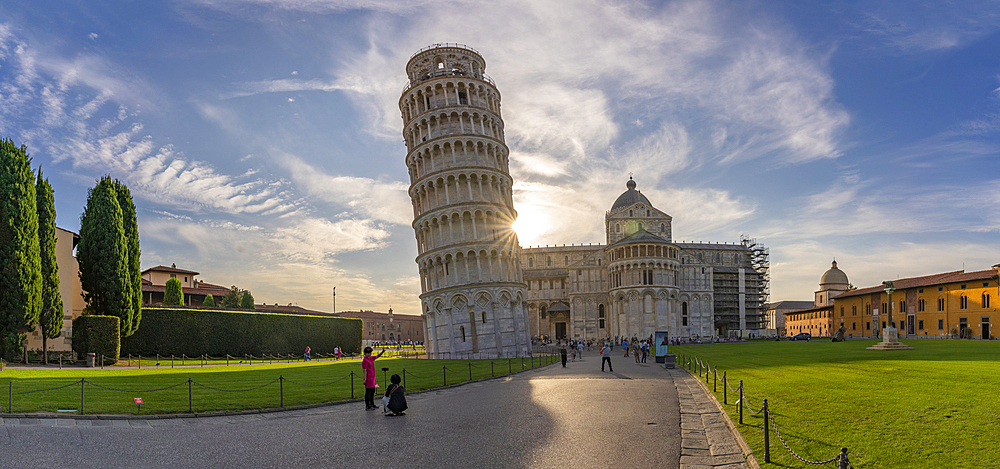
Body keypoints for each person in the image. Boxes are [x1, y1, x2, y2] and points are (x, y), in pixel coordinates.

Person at [362, 346, 385, 410]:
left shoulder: (370, 358)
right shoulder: (365, 360)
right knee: (368, 392)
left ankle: (372, 404)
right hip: (368, 378)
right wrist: (365, 379)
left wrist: (382, 352)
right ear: (365, 353)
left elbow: (377, 356)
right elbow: (364, 370)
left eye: (370, 353)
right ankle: (367, 405)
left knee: (372, 392)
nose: (369, 354)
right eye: (367, 353)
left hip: (372, 378)